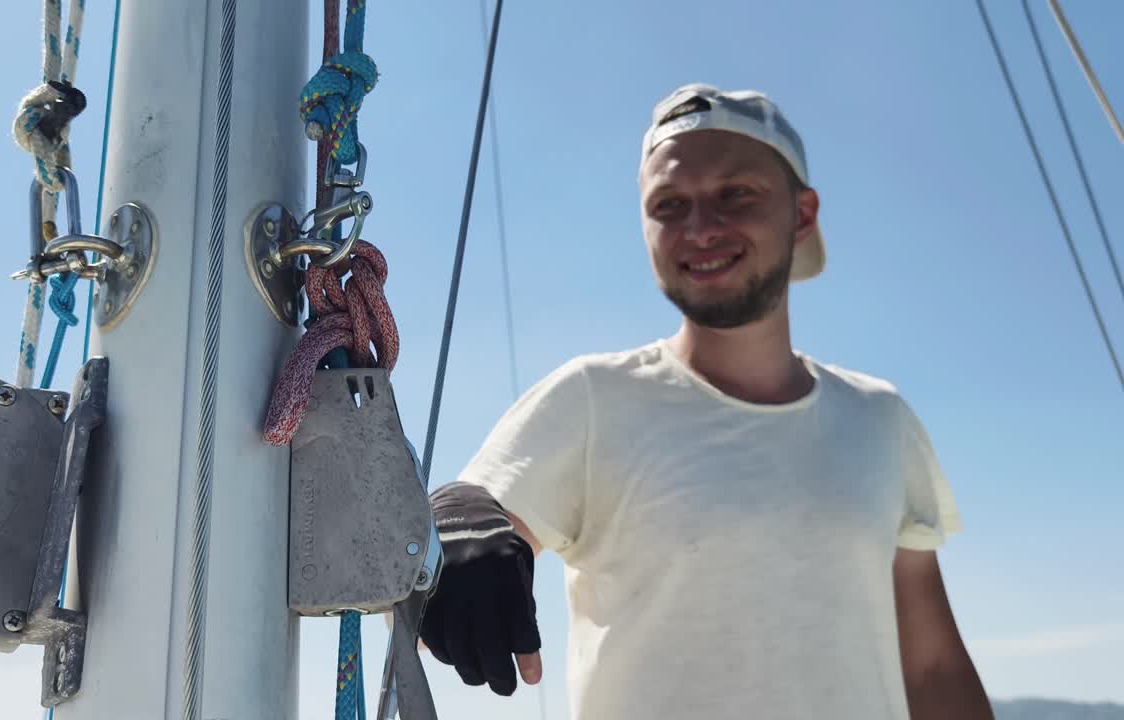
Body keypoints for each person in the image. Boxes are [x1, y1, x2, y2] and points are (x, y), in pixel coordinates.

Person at [416, 83, 994, 719]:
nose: (700, 228)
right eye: (669, 204)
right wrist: (453, 526)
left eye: (735, 194)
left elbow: (933, 665)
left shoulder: (881, 419)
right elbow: (471, 516)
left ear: (802, 214)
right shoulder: (593, 399)